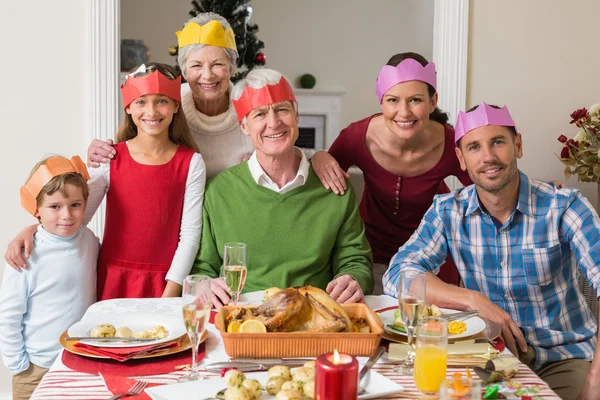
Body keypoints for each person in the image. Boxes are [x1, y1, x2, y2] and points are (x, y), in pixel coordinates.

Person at [383, 102, 600, 400]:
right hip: (487, 356)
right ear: (461, 158)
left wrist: (595, 383)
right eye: (474, 147)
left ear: (518, 145)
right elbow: (398, 274)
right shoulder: (447, 211)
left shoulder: (565, 206)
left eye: (497, 142)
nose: (487, 157)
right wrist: (472, 299)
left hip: (563, 358)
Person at [3, 63, 206, 299]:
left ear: (175, 106)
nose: (151, 111)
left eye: (161, 101)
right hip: (112, 281)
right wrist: (32, 230)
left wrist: (170, 293)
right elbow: (77, 217)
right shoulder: (111, 158)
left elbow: (190, 236)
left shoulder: (191, 162)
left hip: (166, 283)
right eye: (141, 101)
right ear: (128, 107)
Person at [192, 68, 374, 309]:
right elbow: (203, 268)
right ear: (244, 126)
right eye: (259, 114)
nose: (274, 123)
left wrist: (353, 280)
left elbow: (356, 260)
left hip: (316, 319)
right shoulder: (219, 191)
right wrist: (205, 284)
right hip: (244, 321)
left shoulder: (334, 186)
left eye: (282, 110)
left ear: (296, 116)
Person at [311, 52, 471, 294]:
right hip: (371, 251)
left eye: (415, 100)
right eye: (393, 100)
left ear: (433, 101)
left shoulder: (452, 142)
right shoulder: (357, 136)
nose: (403, 112)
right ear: (381, 102)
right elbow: (322, 189)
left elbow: (483, 194)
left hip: (432, 257)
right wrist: (318, 157)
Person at [87, 12, 253, 179]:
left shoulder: (253, 108)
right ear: (184, 71)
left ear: (232, 67)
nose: (207, 75)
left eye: (217, 64)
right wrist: (100, 153)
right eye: (196, 65)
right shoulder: (165, 104)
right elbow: (133, 148)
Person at [0, 156, 98, 400]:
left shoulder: (89, 240)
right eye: (55, 207)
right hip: (36, 368)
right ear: (36, 209)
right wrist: (19, 366)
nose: (66, 215)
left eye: (75, 205)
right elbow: (9, 315)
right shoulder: (24, 255)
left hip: (79, 361)